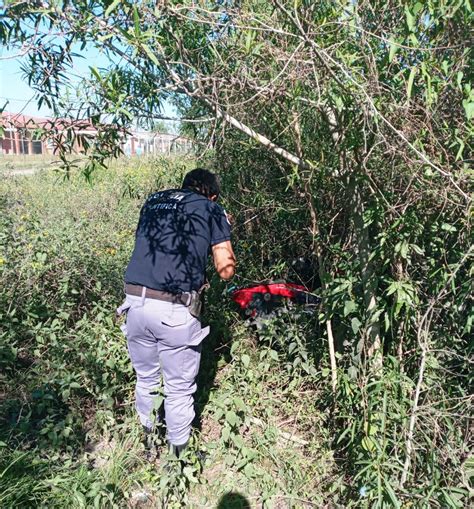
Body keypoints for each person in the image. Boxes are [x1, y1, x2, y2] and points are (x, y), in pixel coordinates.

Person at [117, 168, 235, 458]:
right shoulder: (211, 208)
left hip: (134, 303)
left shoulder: (153, 201)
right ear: (213, 194)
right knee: (178, 389)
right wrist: (222, 230)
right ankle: (178, 459)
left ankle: (147, 444)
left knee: (145, 379)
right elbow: (226, 270)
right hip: (174, 311)